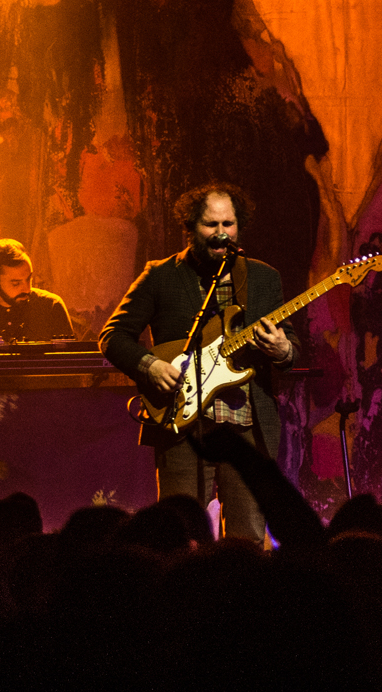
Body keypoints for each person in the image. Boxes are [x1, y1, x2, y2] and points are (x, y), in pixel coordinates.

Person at [99, 182, 299, 542]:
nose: (221, 234)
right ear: (190, 227)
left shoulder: (264, 277)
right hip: (183, 426)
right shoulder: (160, 276)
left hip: (247, 427)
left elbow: (291, 345)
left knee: (248, 538)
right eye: (211, 225)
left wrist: (282, 349)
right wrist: (150, 366)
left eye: (229, 224)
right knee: (177, 535)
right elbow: (113, 336)